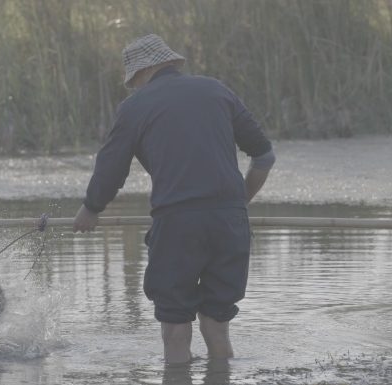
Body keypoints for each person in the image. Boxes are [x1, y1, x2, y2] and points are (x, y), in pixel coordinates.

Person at [73, 34, 275, 363]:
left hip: (177, 224)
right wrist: (238, 204)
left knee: (175, 322)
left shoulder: (134, 107)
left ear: (140, 73)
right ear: (170, 63)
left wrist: (91, 208)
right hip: (231, 222)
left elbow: (111, 169)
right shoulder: (218, 90)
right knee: (217, 321)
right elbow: (264, 157)